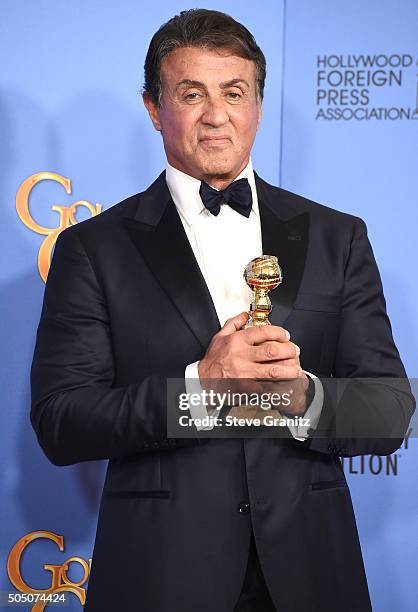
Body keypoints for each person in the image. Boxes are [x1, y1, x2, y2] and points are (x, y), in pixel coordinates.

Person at [30, 9, 414, 612]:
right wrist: (202, 388)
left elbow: (392, 410)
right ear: (155, 110)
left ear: (258, 105)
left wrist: (304, 398)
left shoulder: (338, 237)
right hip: (159, 578)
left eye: (234, 92)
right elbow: (61, 420)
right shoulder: (92, 249)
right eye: (191, 93)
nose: (216, 115)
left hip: (312, 575)